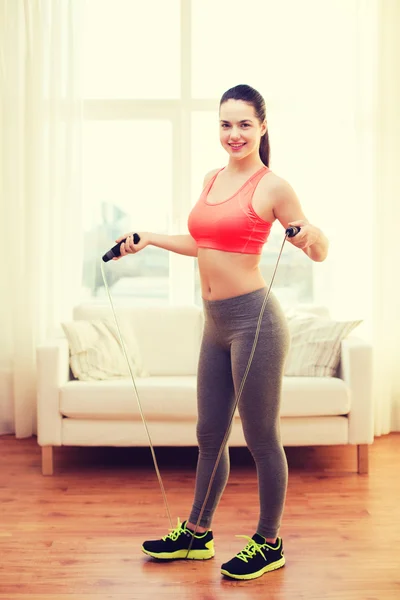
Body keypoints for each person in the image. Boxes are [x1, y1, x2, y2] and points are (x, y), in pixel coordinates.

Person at [114, 84, 329, 581]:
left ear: (262, 127)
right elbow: (203, 240)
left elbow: (319, 250)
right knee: (209, 434)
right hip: (214, 325)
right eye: (225, 124)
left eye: (244, 124)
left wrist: (309, 235)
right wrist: (149, 239)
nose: (234, 134)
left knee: (260, 437)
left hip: (255, 321)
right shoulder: (212, 178)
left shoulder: (273, 186)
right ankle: (197, 533)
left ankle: (269, 542)